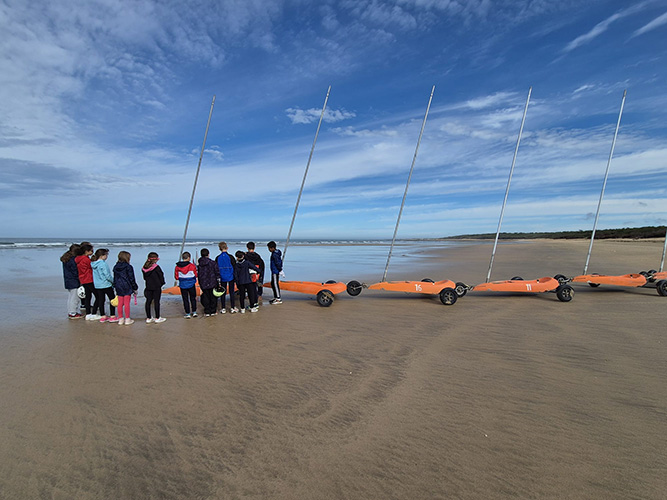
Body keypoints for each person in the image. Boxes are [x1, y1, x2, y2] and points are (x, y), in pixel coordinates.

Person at [91, 248, 117, 322]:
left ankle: (103, 315)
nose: (107, 256)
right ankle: (112, 315)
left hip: (98, 285)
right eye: (106, 255)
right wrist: (113, 281)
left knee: (101, 300)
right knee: (112, 299)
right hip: (106, 284)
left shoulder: (94, 264)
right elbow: (107, 275)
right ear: (102, 255)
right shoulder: (103, 263)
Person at [113, 251, 138, 325]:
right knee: (126, 303)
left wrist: (115, 285)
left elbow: (115, 278)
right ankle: (127, 319)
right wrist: (135, 287)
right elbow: (131, 278)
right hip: (127, 286)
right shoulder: (128, 267)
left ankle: (120, 318)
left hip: (118, 286)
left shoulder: (116, 266)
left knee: (120, 303)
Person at [142, 252, 166, 323]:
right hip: (156, 287)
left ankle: (148, 318)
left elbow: (144, 278)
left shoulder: (144, 268)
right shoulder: (156, 267)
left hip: (148, 286)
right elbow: (161, 276)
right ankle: (157, 317)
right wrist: (162, 283)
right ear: (155, 259)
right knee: (156, 302)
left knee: (148, 302)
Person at [75, 243, 96, 319]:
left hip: (83, 279)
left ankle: (88, 312)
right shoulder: (86, 259)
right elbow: (92, 266)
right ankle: (93, 312)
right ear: (86, 251)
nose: (92, 252)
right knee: (97, 295)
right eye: (91, 251)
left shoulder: (78, 259)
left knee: (88, 296)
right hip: (89, 279)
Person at [61, 244, 82, 319]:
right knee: (75, 298)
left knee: (71, 297)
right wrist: (80, 278)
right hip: (74, 280)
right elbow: (75, 271)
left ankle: (71, 311)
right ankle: (72, 313)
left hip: (68, 280)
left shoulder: (66, 258)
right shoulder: (73, 260)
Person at [216, 242, 237, 314]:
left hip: (222, 277)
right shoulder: (231, 257)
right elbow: (235, 266)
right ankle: (232, 307)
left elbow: (216, 268)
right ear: (227, 248)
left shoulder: (218, 258)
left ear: (219, 249)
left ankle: (223, 308)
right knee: (232, 292)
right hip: (230, 276)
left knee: (223, 292)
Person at [175, 251, 198, 318]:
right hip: (191, 284)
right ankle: (194, 312)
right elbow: (195, 275)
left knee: (185, 299)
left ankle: (187, 313)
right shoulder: (192, 266)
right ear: (188, 258)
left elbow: (176, 277)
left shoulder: (177, 267)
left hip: (183, 285)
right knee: (193, 298)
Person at [197, 248, 220, 317]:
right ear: (208, 254)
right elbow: (217, 272)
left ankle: (207, 311)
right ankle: (212, 310)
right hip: (212, 282)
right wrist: (218, 281)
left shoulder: (200, 264)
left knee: (206, 297)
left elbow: (199, 274)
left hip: (204, 282)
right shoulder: (212, 263)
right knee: (213, 297)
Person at [245, 241, 265, 306]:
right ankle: (259, 295)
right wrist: (260, 272)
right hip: (258, 271)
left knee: (250, 284)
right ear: (254, 247)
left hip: (250, 272)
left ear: (247, 248)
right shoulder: (257, 256)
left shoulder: (246, 256)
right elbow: (262, 264)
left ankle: (250, 295)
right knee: (258, 282)